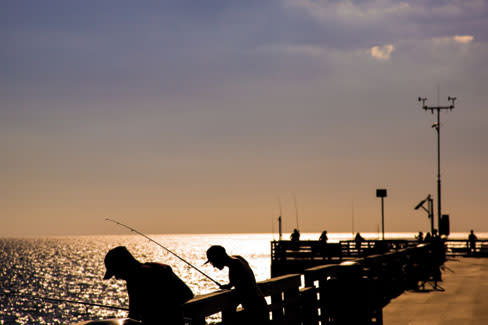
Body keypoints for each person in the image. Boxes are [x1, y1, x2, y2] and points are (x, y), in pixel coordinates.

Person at [103, 246, 194, 325]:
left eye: (115, 272)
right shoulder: (160, 268)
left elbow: (133, 316)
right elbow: (188, 294)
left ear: (122, 266)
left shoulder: (135, 280)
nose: (117, 277)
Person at [205, 245, 268, 323]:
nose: (214, 265)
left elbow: (242, 289)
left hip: (255, 310)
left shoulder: (235, 267)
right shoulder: (238, 259)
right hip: (261, 305)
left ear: (219, 258)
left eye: (213, 261)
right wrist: (228, 286)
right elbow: (240, 282)